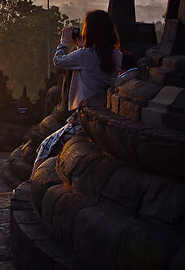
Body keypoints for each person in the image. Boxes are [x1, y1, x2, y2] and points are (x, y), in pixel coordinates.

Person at [31, 10, 122, 175]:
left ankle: (30, 188)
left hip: (85, 120)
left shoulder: (86, 55)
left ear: (89, 31)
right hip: (103, 113)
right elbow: (95, 64)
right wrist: (81, 47)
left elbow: (59, 61)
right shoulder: (116, 54)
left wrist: (63, 42)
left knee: (45, 146)